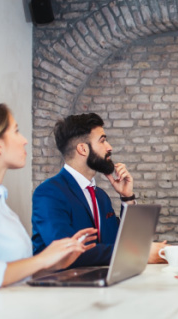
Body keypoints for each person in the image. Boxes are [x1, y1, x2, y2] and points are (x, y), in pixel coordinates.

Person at [0, 102, 96, 295]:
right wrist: (41, 259)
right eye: (16, 131)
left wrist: (54, 262)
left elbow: (12, 273)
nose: (24, 140)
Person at [32, 113, 166, 268]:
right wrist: (139, 252)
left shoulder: (101, 196)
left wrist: (127, 197)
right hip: (62, 288)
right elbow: (67, 252)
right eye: (102, 141)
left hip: (102, 284)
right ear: (82, 149)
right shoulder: (49, 193)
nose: (109, 147)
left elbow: (120, 242)